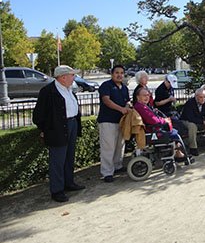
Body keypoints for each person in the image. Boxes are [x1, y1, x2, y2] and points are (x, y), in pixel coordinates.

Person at [33, 65, 85, 203]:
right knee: (57, 160)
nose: (74, 78)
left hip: (72, 124)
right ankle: (57, 190)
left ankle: (69, 182)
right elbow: (38, 115)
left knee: (69, 157)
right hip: (57, 128)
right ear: (63, 77)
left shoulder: (69, 90)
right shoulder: (48, 91)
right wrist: (45, 129)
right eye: (72, 75)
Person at [97, 65, 132, 183]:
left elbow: (127, 100)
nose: (119, 75)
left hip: (121, 121)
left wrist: (127, 106)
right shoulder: (106, 86)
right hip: (107, 121)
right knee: (108, 147)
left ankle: (117, 166)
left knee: (119, 146)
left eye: (122, 73)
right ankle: (107, 172)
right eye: (117, 72)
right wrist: (120, 109)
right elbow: (106, 100)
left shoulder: (124, 88)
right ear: (112, 74)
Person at [133, 87, 187, 161]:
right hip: (153, 131)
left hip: (153, 129)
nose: (147, 97)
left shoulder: (142, 106)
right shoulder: (140, 107)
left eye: (148, 95)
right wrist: (164, 120)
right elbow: (153, 121)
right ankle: (178, 154)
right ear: (138, 97)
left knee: (175, 128)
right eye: (144, 95)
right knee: (175, 132)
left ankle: (178, 152)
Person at [180, 88, 205, 156]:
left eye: (204, 97)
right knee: (192, 126)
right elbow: (190, 118)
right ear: (196, 96)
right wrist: (204, 122)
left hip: (199, 120)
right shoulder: (190, 103)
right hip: (187, 120)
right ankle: (193, 148)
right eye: (201, 97)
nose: (203, 99)